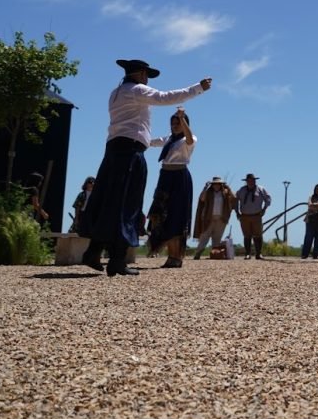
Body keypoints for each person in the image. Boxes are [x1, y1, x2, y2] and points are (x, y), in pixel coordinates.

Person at [80, 59, 211, 277]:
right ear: (141, 74)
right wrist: (198, 88)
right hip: (130, 153)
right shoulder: (137, 90)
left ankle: (93, 252)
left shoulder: (116, 92)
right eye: (146, 75)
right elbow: (165, 97)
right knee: (127, 204)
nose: (147, 79)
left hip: (112, 151)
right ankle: (117, 261)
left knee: (108, 201)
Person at [146, 108, 196, 268]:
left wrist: (182, 119)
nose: (174, 126)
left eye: (178, 123)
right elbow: (150, 142)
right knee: (160, 214)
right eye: (173, 123)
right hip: (165, 177)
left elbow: (189, 138)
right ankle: (170, 255)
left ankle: (176, 256)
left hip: (180, 178)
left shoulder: (190, 138)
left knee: (177, 216)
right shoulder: (168, 139)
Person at [192, 177, 237, 260]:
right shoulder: (208, 192)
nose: (216, 186)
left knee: (217, 237)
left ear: (221, 184)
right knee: (204, 236)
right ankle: (198, 253)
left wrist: (229, 188)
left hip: (221, 218)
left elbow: (234, 198)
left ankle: (214, 254)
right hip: (208, 218)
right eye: (214, 184)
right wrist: (205, 187)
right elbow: (201, 198)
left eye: (218, 184)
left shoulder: (225, 192)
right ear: (212, 185)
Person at [235, 174, 271, 259]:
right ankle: (247, 254)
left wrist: (264, 209)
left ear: (255, 181)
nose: (251, 182)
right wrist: (237, 212)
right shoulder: (241, 190)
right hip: (244, 216)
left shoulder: (261, 189)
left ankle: (258, 254)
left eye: (253, 180)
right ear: (246, 181)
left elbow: (268, 199)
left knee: (258, 235)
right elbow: (235, 200)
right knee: (247, 235)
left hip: (257, 215)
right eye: (249, 180)